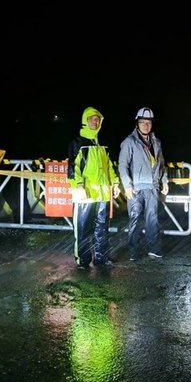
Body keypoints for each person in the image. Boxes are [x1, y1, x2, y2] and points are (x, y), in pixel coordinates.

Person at [68, 107, 121, 269]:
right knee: (83, 228)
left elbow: (109, 166)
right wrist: (78, 186)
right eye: (92, 119)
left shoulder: (104, 144)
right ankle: (83, 260)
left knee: (102, 227)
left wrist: (115, 183)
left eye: (97, 119)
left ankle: (101, 257)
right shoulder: (77, 143)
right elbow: (72, 168)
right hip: (85, 194)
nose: (95, 121)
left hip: (102, 194)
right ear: (85, 121)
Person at [118, 107, 169, 261]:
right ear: (137, 124)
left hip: (152, 187)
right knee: (135, 219)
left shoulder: (156, 142)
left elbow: (161, 164)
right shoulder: (129, 142)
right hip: (136, 188)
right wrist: (127, 185)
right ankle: (134, 251)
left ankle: (154, 249)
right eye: (142, 122)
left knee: (152, 219)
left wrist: (164, 181)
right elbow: (122, 165)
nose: (146, 125)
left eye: (148, 122)